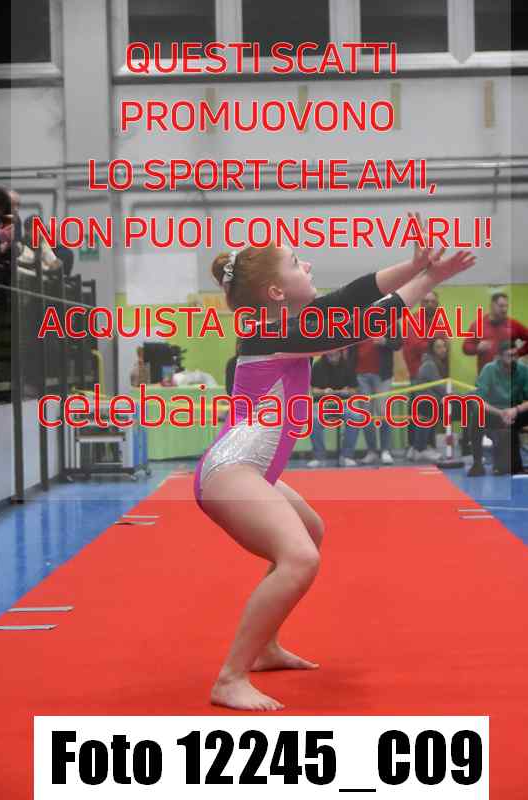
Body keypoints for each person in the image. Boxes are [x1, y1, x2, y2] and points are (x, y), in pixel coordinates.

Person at [193, 217, 475, 712]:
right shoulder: (270, 333)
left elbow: (352, 295)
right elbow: (360, 324)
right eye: (296, 262)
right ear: (277, 292)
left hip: (251, 470)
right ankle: (230, 677)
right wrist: (428, 278)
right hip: (231, 471)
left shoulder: (285, 324)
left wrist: (413, 265)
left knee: (311, 530)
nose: (308, 264)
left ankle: (265, 647)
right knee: (300, 558)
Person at [467, 340, 528, 476]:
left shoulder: (523, 370)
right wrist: (501, 413)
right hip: (494, 412)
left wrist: (515, 410)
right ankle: (477, 463)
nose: (513, 359)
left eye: (515, 355)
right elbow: (479, 400)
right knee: (477, 415)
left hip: (515, 411)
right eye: (509, 356)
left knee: (504, 468)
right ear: (499, 356)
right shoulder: (489, 369)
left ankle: (510, 463)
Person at [402, 290, 443, 460]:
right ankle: (417, 447)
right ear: (420, 303)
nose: (429, 305)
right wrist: (435, 342)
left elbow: (443, 344)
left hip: (433, 375)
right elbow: (419, 345)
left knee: (428, 411)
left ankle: (423, 447)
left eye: (433, 302)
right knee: (421, 412)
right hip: (417, 375)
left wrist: (436, 342)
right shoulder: (413, 321)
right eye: (426, 301)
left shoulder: (438, 321)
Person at [353, 322, 401, 465]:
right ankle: (372, 451)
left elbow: (398, 343)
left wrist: (385, 341)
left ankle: (385, 450)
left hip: (382, 374)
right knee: (366, 415)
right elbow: (349, 348)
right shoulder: (357, 320)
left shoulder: (391, 321)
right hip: (360, 374)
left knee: (383, 412)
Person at [307, 348, 357, 467]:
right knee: (313, 420)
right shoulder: (318, 366)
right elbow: (313, 390)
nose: (333, 357)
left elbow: (354, 390)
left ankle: (347, 456)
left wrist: (347, 391)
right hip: (322, 405)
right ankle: (319, 457)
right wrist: (324, 392)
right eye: (330, 355)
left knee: (356, 417)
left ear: (340, 353)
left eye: (335, 355)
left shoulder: (348, 365)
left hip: (343, 404)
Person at [463, 292, 528, 374]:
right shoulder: (478, 324)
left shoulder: (513, 324)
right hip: (486, 376)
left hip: (508, 375)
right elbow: (466, 348)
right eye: (501, 306)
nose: (504, 309)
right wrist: (477, 348)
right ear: (492, 306)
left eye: (506, 306)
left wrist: (518, 353)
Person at [413, 337, 451, 461]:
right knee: (427, 418)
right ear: (432, 350)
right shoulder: (430, 364)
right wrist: (455, 395)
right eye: (438, 347)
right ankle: (420, 449)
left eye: (444, 346)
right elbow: (439, 386)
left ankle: (424, 448)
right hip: (426, 401)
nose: (443, 349)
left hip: (431, 400)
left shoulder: (437, 363)